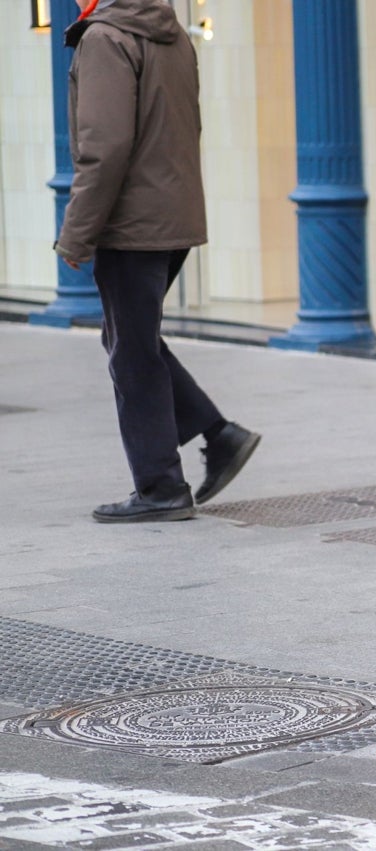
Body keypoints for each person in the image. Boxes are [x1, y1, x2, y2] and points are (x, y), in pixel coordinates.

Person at [54, 0, 260, 523]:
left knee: (132, 355)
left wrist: (77, 232)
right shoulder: (171, 33)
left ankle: (160, 487)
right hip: (173, 213)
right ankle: (220, 435)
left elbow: (105, 145)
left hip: (132, 222)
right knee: (131, 339)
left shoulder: (105, 37)